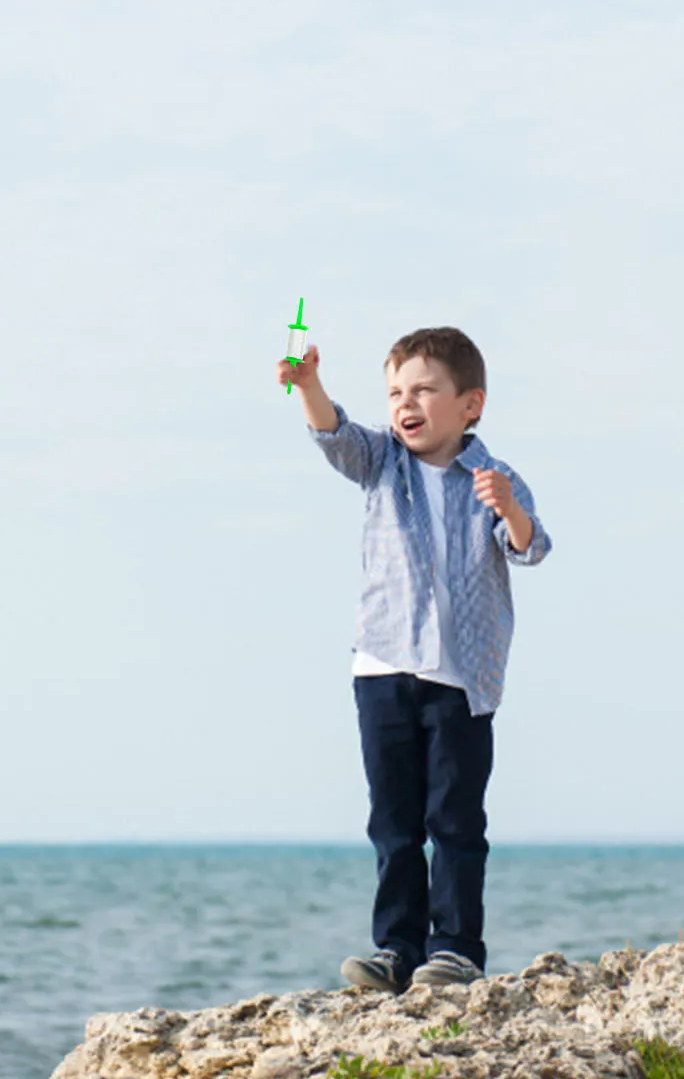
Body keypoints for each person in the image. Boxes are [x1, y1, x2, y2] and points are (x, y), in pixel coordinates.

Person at [277, 325, 552, 992]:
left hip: (463, 678)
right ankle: (397, 948)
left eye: (425, 389)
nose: (407, 401)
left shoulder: (495, 477)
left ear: (470, 404)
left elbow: (531, 548)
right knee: (393, 821)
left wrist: (509, 508)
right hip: (381, 668)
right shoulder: (383, 462)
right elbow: (335, 438)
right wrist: (310, 384)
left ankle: (455, 948)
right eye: (397, 390)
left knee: (455, 821)